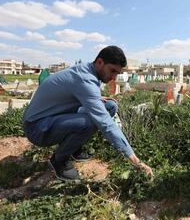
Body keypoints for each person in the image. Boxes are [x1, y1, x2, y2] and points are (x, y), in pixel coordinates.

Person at [22, 46, 153, 181]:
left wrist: (96, 99)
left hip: (53, 116)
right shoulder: (85, 79)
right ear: (100, 62)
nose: (114, 77)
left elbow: (77, 91)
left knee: (110, 106)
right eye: (112, 71)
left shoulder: (87, 69)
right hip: (37, 127)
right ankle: (59, 160)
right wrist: (135, 160)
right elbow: (106, 123)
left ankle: (73, 147)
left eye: (117, 73)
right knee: (92, 122)